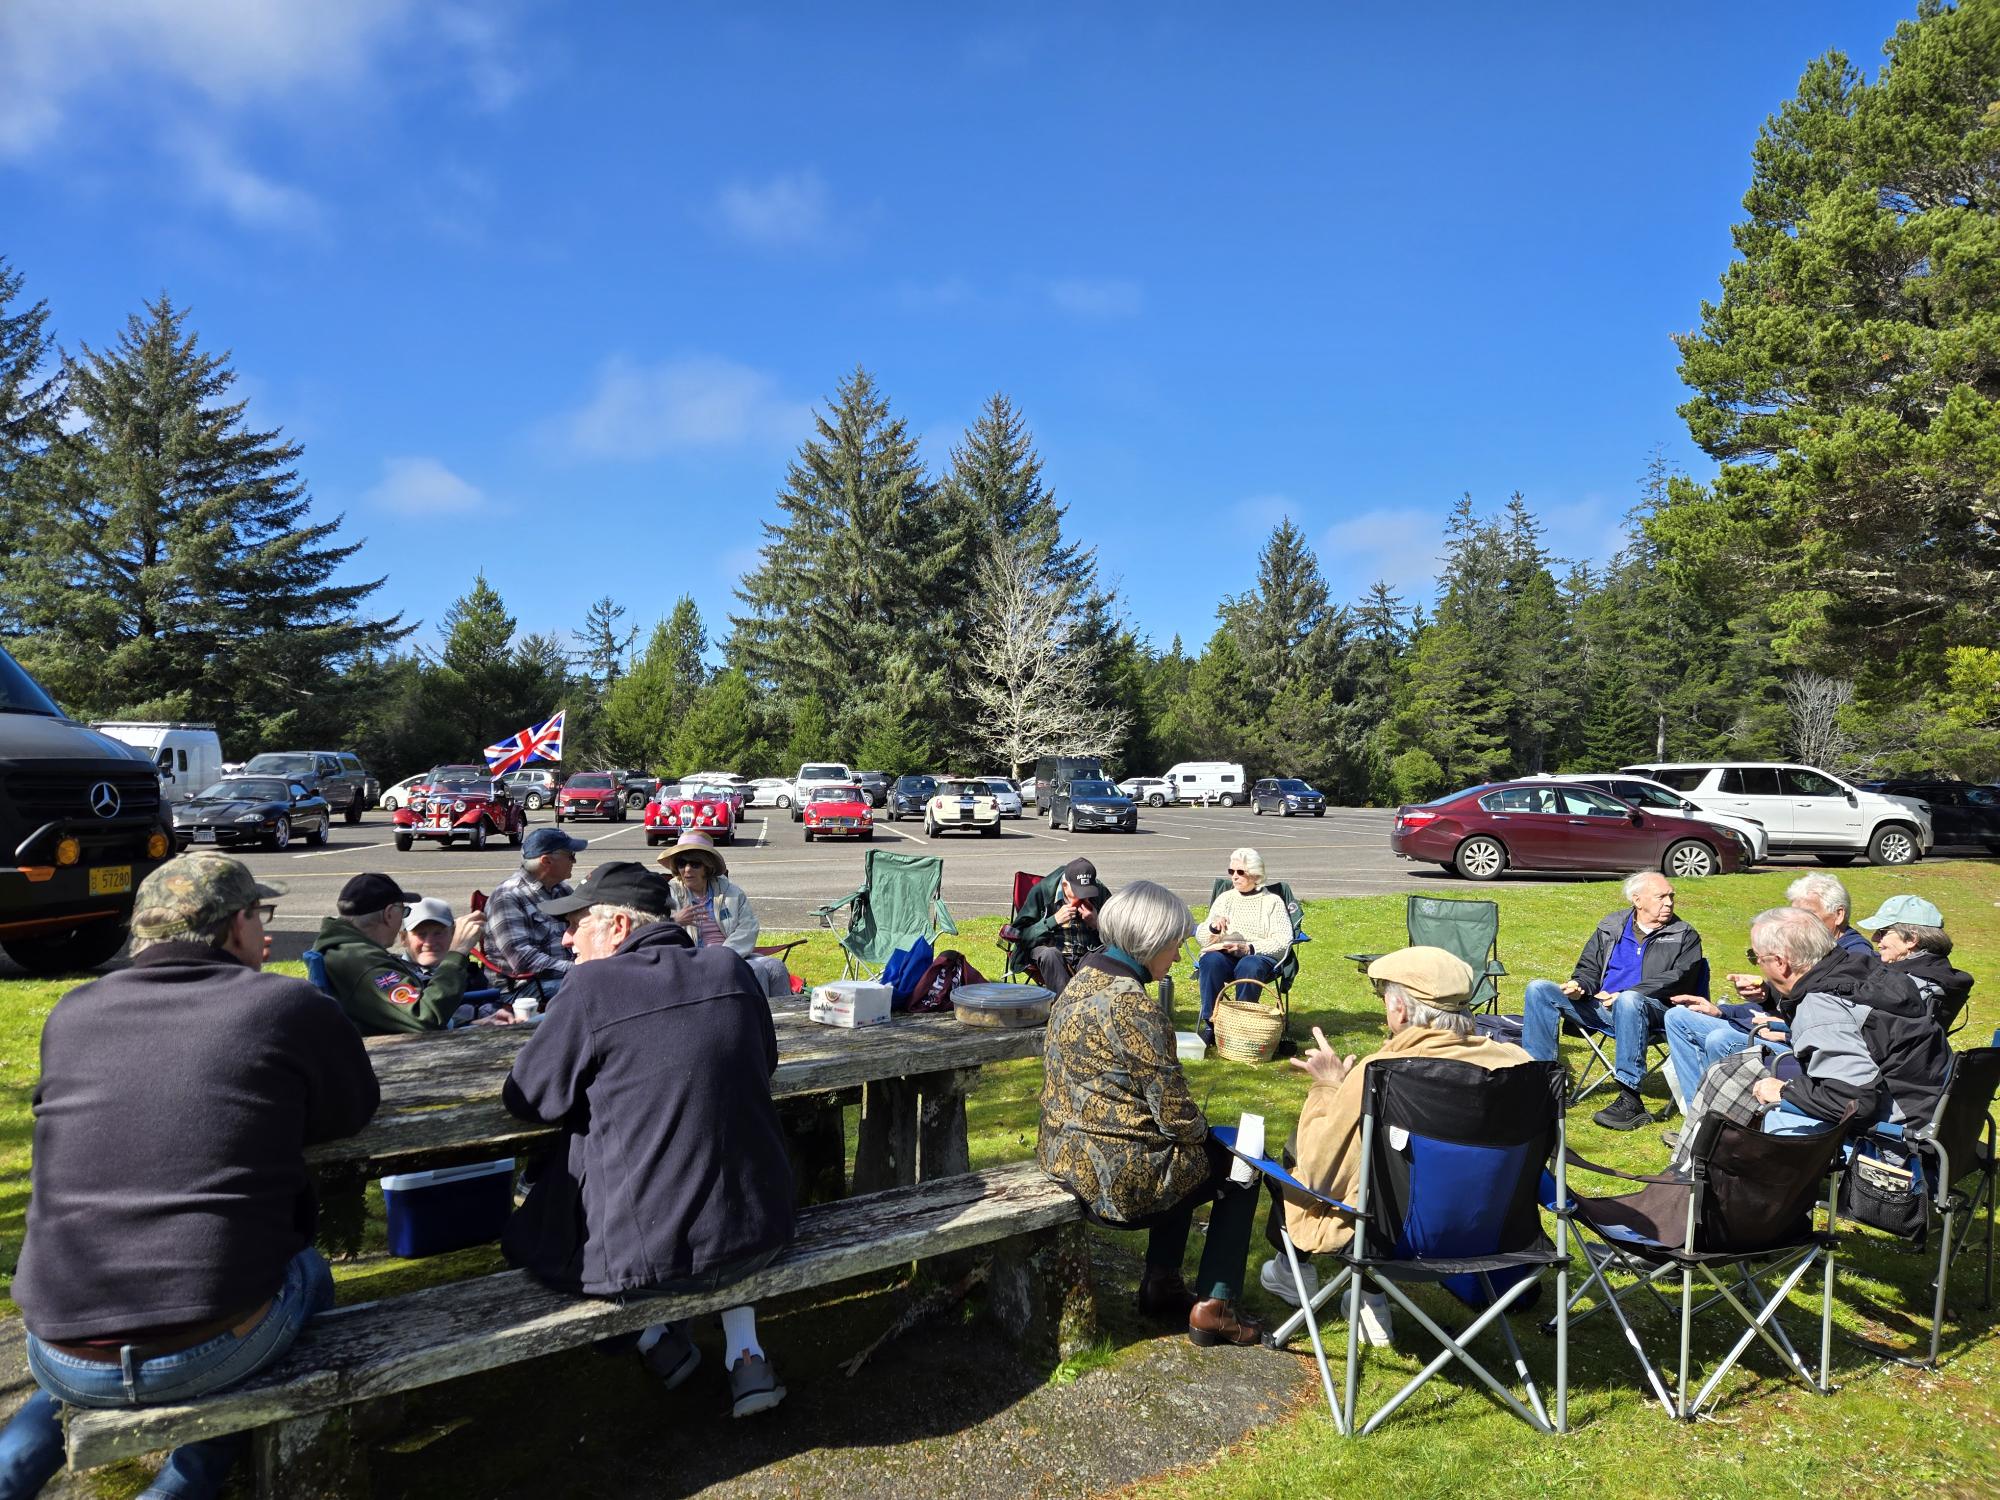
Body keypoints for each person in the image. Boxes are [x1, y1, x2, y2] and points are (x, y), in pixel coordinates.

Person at [0, 853, 378, 1500]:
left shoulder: (74, 1012)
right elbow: (351, 1108)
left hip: (58, 1337)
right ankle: (187, 1483)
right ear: (235, 927)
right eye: (259, 917)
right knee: (307, 1273)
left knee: (76, 1365)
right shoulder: (287, 1003)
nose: (264, 932)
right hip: (205, 1344)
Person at [501, 861, 794, 1418]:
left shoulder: (591, 985)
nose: (565, 937)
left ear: (615, 926)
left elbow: (529, 1100)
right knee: (708, 1149)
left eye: (576, 923)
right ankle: (743, 1353)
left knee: (534, 1225)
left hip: (649, 1262)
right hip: (763, 1231)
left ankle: (653, 1339)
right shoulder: (730, 969)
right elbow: (768, 1061)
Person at [1259, 947, 1535, 1344]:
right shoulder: (1519, 1066)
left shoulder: (1383, 1073)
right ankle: (1369, 1298)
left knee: (1296, 1149)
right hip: (1497, 1239)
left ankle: (1301, 1273)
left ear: (1400, 1010)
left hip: (1390, 1241)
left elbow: (1319, 1172)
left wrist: (1328, 1086)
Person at [1037, 880, 1265, 1348]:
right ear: (1152, 943)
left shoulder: (1080, 978)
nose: (1179, 958)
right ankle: (1213, 1307)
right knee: (1239, 1167)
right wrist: (1213, 1139)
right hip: (1109, 1179)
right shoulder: (1134, 1006)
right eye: (1177, 946)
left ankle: (1162, 1286)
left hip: (1060, 1150)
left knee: (1180, 1156)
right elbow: (1177, 1116)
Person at [1675, 907, 1948, 1152]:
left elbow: (1855, 1102)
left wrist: (1784, 1091)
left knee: (1750, 1097)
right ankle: (1695, 1162)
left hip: (1895, 1142)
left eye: (1755, 957)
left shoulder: (1821, 1006)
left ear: (1781, 963)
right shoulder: (1868, 972)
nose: (1757, 965)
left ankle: (1692, 1173)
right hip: (1931, 1116)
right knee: (1737, 1070)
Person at [1664, 872, 1883, 1111]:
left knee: (1721, 1039)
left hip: (1796, 1049)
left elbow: (1840, 1032)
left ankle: (1714, 1120)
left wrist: (1786, 1031)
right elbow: (1785, 1007)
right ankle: (1698, 1115)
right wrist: (1741, 1004)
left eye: (1807, 915)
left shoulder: (1849, 959)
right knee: (1678, 1017)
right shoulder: (1809, 949)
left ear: (1838, 915)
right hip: (1772, 1028)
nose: (1795, 924)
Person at [1521, 871, 1708, 1130]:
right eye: (1661, 897)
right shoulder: (1611, 926)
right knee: (1538, 988)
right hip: (1602, 1007)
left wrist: (1626, 994)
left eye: (1671, 896)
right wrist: (1580, 986)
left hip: (1655, 1012)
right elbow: (1589, 967)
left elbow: (1680, 979)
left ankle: (1631, 1100)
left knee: (1630, 1000)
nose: (1669, 903)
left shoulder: (1684, 935)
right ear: (1637, 900)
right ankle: (1542, 1084)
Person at [317, 873, 498, 1035]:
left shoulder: (346, 950)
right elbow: (425, 1017)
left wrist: (467, 1023)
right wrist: (457, 953)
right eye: (403, 910)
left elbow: (399, 1016)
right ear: (389, 914)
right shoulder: (362, 961)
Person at [655, 829, 791, 998]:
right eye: (682, 863)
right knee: (755, 971)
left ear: (707, 867)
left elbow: (748, 927)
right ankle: (757, 1022)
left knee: (776, 967)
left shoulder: (730, 892)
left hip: (733, 953)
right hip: (695, 959)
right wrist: (675, 920)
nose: (687, 869)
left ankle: (782, 1018)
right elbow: (650, 928)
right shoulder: (669, 893)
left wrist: (725, 955)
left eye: (695, 864)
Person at [1195, 848, 1293, 1047]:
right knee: (1210, 960)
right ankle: (1211, 1024)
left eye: (1240, 872)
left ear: (1256, 875)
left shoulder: (1272, 902)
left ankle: (1242, 1023)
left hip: (1259, 955)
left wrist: (1249, 948)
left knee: (1249, 965)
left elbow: (1284, 941)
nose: (1234, 877)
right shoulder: (1225, 899)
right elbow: (1202, 937)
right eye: (1231, 872)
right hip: (1225, 954)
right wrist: (1214, 928)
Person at [485, 826, 589, 998]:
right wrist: (579, 970)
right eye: (571, 855)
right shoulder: (507, 897)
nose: (574, 862)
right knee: (595, 991)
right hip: (523, 989)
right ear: (546, 861)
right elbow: (522, 960)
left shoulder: (561, 889)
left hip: (564, 977)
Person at [1857, 895, 1974, 1033]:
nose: (1874, 938)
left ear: (1911, 939)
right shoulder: (1920, 971)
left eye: (1882, 932)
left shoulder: (1918, 984)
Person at [1008, 857, 1109, 993]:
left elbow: (1119, 935)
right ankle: (1063, 1008)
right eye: (1078, 893)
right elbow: (1020, 935)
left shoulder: (1100, 891)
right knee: (1051, 955)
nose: (1084, 899)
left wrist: (1097, 924)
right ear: (1065, 885)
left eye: (1087, 894)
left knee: (1110, 954)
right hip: (1050, 950)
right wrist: (1053, 921)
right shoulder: (1042, 891)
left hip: (1087, 953)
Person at [401, 896, 457, 972]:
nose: (429, 943)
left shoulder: (469, 971)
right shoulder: (391, 975)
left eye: (438, 933)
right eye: (421, 934)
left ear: (453, 934)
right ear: (403, 938)